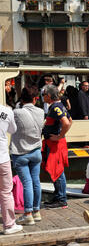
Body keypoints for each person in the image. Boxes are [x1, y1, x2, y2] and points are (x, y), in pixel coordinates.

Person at [9, 85, 45, 225]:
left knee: (27, 183)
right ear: (36, 98)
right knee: (36, 181)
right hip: (36, 151)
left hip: (20, 152)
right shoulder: (41, 111)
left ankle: (28, 213)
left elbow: (11, 128)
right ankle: (36, 211)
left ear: (22, 99)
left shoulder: (16, 112)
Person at [41, 84, 72, 209]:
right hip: (54, 143)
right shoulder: (59, 106)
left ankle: (61, 198)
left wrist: (59, 136)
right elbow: (70, 121)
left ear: (48, 96)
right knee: (56, 170)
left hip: (55, 144)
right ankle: (58, 195)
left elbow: (66, 122)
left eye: (43, 95)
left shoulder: (55, 107)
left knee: (57, 171)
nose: (42, 97)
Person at [0, 100, 22, 234]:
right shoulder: (7, 111)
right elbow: (13, 129)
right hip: (2, 157)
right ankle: (9, 225)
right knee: (6, 192)